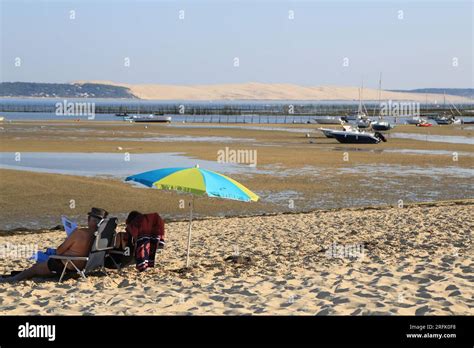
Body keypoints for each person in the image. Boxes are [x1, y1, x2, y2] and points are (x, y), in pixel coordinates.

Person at [3, 208, 108, 282]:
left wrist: (69, 238)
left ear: (89, 220)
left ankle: (12, 279)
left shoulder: (79, 233)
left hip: (68, 265)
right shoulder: (100, 236)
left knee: (35, 268)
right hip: (85, 264)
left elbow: (59, 251)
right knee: (43, 262)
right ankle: (17, 275)